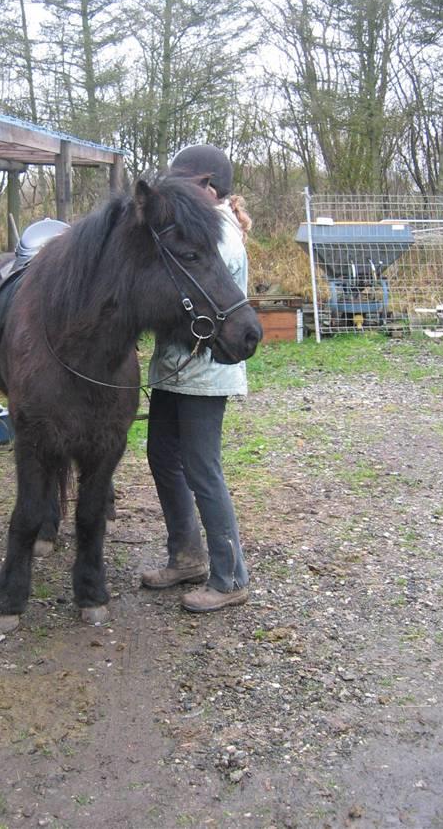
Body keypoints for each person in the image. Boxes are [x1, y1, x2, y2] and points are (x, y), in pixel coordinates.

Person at [141, 144, 254, 613]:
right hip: (174, 367)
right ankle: (186, 557)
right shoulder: (196, 221)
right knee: (161, 455)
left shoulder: (220, 231)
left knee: (202, 467)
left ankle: (230, 578)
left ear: (209, 187)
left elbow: (192, 287)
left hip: (206, 369)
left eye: (184, 186)